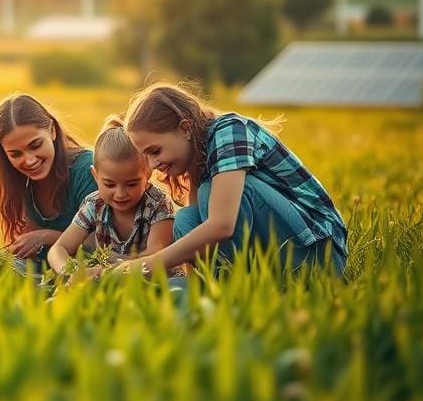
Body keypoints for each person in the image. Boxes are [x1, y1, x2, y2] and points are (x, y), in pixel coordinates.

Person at [116, 83, 347, 276]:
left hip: (319, 253)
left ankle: (234, 280)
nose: (153, 165)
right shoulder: (198, 154)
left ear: (185, 128)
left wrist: (144, 265)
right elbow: (197, 233)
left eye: (155, 151)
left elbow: (221, 226)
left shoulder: (230, 131)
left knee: (210, 194)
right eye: (146, 156)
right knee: (186, 217)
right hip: (278, 253)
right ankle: (222, 284)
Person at [48, 115, 174, 278]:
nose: (120, 194)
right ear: (95, 175)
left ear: (147, 174)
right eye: (109, 184)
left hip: (152, 280)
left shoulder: (158, 204)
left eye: (132, 184)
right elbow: (58, 249)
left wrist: (103, 272)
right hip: (107, 281)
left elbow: (156, 255)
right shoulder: (95, 204)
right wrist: (72, 272)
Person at [0, 93, 98, 264]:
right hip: (49, 271)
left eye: (35, 145)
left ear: (52, 130)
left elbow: (101, 244)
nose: (29, 160)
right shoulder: (18, 181)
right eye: (15, 154)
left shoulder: (86, 169)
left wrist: (45, 237)